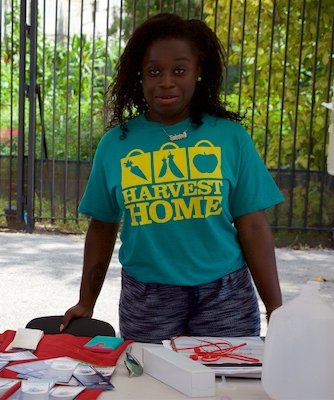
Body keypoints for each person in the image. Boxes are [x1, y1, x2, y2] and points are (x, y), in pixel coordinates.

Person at [61, 13, 285, 343]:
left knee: (229, 386)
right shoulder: (116, 144)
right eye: (154, 71)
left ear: (198, 74)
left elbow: (252, 225)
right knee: (150, 386)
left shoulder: (230, 137)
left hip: (224, 295)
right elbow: (102, 227)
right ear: (140, 76)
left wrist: (276, 310)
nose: (166, 81)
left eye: (179, 70)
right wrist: (86, 302)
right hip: (148, 298)